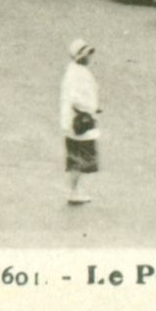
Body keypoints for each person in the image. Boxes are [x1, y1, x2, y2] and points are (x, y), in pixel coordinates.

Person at [60, 39, 101, 205]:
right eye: (86, 54)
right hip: (79, 120)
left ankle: (76, 190)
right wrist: (90, 108)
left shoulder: (76, 71)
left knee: (78, 158)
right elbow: (76, 99)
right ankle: (74, 191)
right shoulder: (76, 73)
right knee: (80, 158)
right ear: (79, 56)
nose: (89, 57)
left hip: (76, 119)